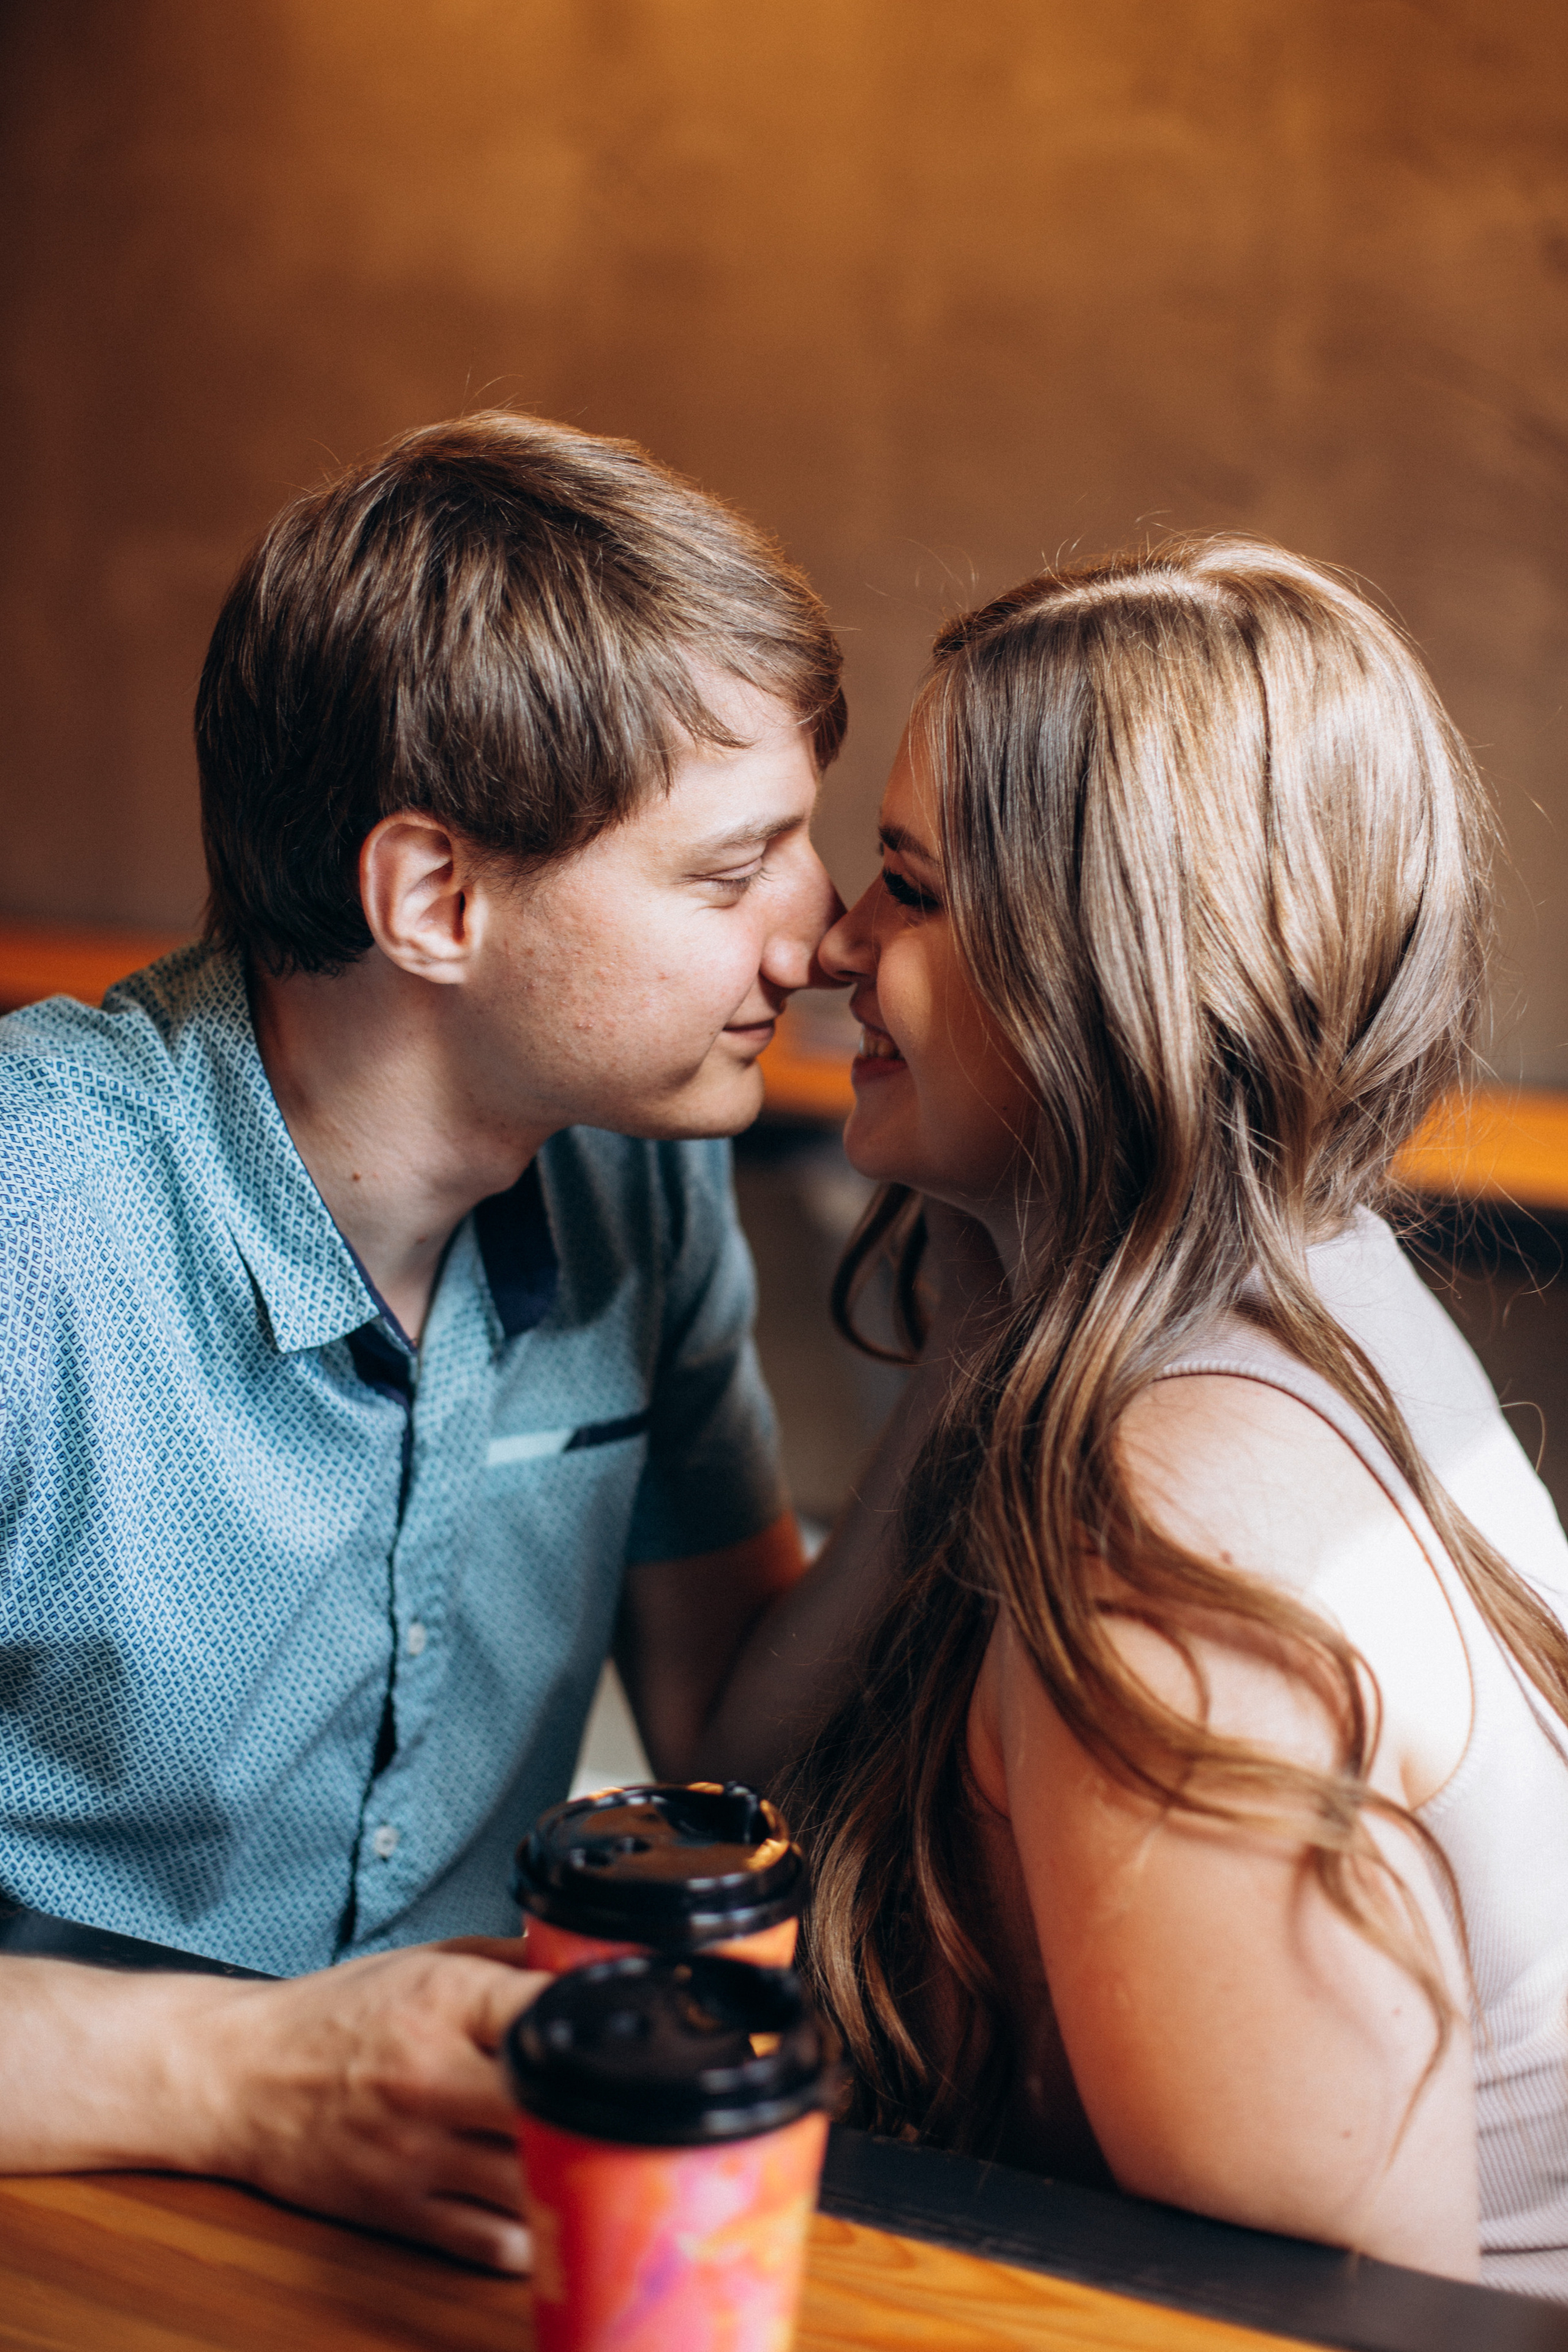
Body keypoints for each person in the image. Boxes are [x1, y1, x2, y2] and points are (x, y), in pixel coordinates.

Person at [0, 409, 887, 2267]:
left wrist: (985, 1349)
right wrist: (243, 2075)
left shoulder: (637, 1191)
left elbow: (738, 1743)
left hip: (434, 2237)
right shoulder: (37, 1225)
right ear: (435, 900)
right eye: (730, 876)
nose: (815, 941)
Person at [784, 537, 1568, 2297]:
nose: (838, 939)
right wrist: (984, 1308)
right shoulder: (1314, 1269)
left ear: (1098, 968)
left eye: (907, 885)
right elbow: (760, 1754)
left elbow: (1321, 2323)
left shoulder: (1166, 1544)